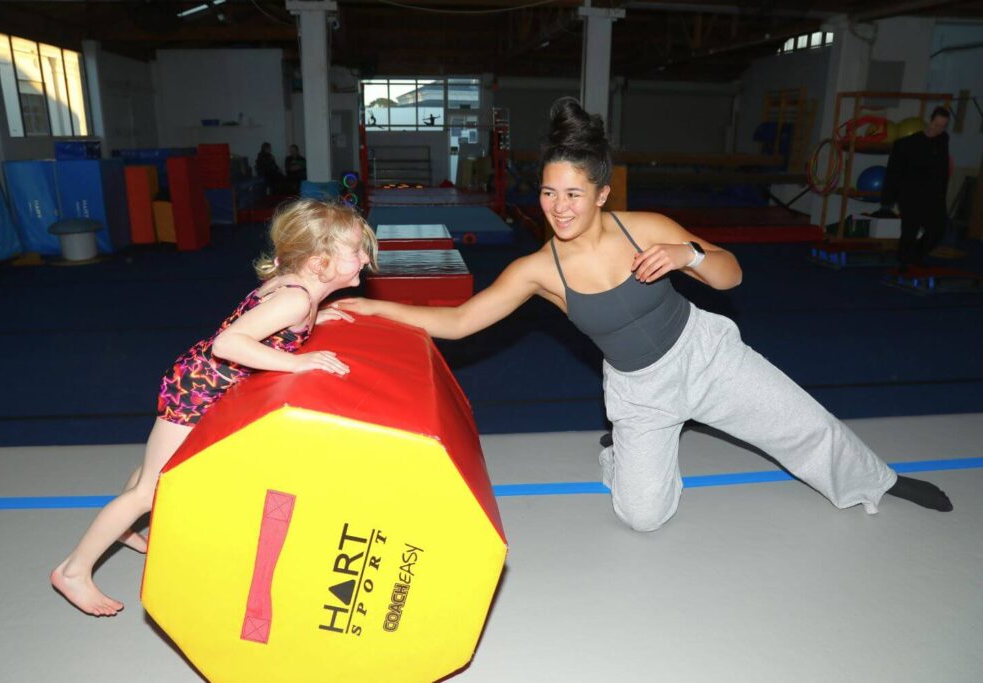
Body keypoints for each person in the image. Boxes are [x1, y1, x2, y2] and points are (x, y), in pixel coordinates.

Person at [338, 97, 952, 534]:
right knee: (643, 518)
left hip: (707, 356)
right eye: (549, 192)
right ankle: (620, 457)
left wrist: (689, 254)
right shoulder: (538, 271)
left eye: (574, 193)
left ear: (603, 194)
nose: (558, 206)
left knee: (801, 423)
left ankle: (877, 482)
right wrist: (368, 305)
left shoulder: (648, 229)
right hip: (641, 390)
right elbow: (461, 321)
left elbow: (731, 273)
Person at [51, 199, 377, 616]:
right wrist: (298, 360)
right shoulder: (294, 301)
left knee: (155, 469)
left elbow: (272, 315)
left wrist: (318, 317)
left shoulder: (297, 292)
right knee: (151, 489)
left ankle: (125, 522)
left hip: (199, 384)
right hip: (197, 393)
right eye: (356, 250)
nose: (365, 257)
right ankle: (73, 570)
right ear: (319, 263)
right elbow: (229, 344)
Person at [881, 107, 951, 268]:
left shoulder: (943, 140)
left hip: (932, 194)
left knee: (938, 229)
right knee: (910, 229)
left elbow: (943, 170)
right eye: (936, 124)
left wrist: (941, 194)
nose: (938, 129)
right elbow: (894, 171)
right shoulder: (907, 144)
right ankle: (903, 262)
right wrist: (889, 198)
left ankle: (914, 255)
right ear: (930, 120)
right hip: (910, 193)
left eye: (942, 126)